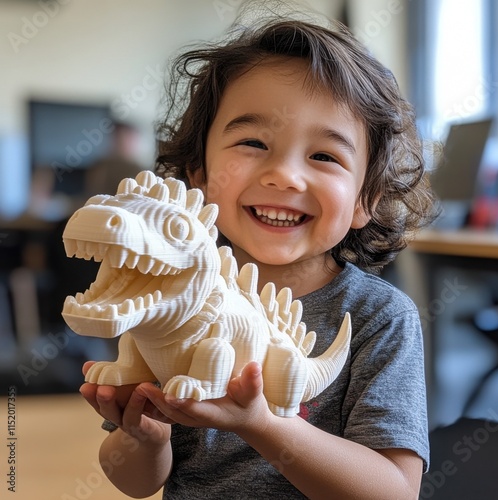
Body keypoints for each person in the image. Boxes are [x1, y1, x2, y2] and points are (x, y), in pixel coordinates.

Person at [80, 5, 438, 499]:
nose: (284, 175)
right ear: (199, 172)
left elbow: (393, 491)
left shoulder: (381, 317)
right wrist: (145, 438)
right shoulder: (163, 293)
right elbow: (137, 482)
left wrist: (263, 425)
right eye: (252, 141)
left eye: (324, 156)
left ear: (364, 199)